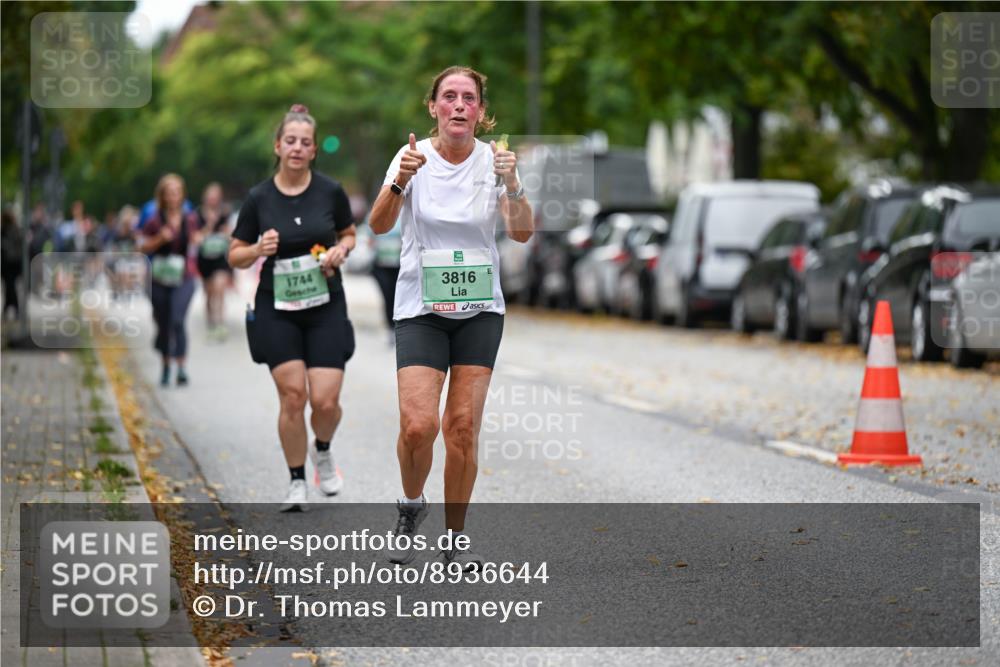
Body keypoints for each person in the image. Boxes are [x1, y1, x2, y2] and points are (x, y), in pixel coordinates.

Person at [369, 66, 533, 569]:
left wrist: (512, 183)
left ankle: (456, 539)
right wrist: (400, 180)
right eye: (449, 96)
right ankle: (411, 505)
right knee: (418, 426)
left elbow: (522, 233)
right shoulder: (412, 156)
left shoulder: (495, 161)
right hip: (422, 308)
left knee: (461, 427)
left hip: (479, 309)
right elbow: (378, 225)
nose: (459, 105)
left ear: (481, 112)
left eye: (469, 98)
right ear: (434, 106)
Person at [227, 104, 357, 512]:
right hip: (277, 307)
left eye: (305, 142)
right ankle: (297, 479)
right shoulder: (259, 198)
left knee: (326, 402)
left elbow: (349, 233)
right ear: (278, 146)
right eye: (290, 141)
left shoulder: (330, 191)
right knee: (293, 396)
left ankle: (323, 448)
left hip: (325, 304)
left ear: (314, 150)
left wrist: (341, 250)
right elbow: (234, 255)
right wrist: (256, 249)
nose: (297, 148)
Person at [140, 174, 202, 387]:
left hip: (184, 276)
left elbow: (197, 239)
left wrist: (197, 240)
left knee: (177, 320)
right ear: (163, 196)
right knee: (164, 322)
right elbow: (142, 246)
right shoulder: (154, 219)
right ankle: (166, 365)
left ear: (182, 195)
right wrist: (160, 238)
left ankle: (181, 366)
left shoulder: (190, 218)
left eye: (177, 192)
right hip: (159, 278)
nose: (173, 197)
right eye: (169, 193)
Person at [195, 182, 233, 340]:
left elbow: (231, 235)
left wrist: (227, 234)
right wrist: (209, 226)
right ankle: (211, 323)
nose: (213, 200)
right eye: (210, 197)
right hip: (205, 260)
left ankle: (221, 323)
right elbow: (196, 238)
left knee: (220, 288)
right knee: (209, 293)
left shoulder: (225, 214)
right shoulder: (197, 215)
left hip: (220, 259)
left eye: (216, 197)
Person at [371, 213, 402, 345]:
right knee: (387, 296)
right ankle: (390, 328)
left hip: (398, 266)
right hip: (381, 266)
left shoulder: (404, 214)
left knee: (397, 297)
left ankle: (397, 326)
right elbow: (370, 236)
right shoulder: (377, 213)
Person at [1, 209, 23, 320]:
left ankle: (12, 308)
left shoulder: (10, 230)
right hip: (10, 264)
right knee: (9, 287)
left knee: (10, 287)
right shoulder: (12, 230)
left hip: (10, 264)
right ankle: (10, 308)